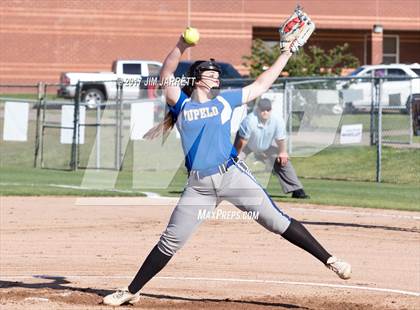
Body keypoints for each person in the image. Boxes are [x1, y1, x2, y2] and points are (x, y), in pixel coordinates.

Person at [103, 32, 351, 307]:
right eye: (211, 73)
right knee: (170, 241)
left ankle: (330, 260)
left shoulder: (224, 101)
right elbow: (167, 72)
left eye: (217, 74)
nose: (216, 77)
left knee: (276, 222)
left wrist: (287, 52)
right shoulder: (181, 105)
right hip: (199, 187)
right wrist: (181, 45)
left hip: (232, 176)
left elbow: (261, 84)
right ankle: (132, 290)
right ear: (197, 77)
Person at [234, 98, 309, 199]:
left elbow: (280, 139)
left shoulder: (277, 120)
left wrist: (282, 152)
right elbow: (242, 141)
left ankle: (297, 190)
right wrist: (236, 155)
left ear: (271, 110)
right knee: (233, 163)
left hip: (266, 145)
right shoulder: (250, 120)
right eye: (263, 110)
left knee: (283, 161)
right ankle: (224, 187)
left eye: (268, 110)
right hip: (246, 145)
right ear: (257, 110)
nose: (265, 112)